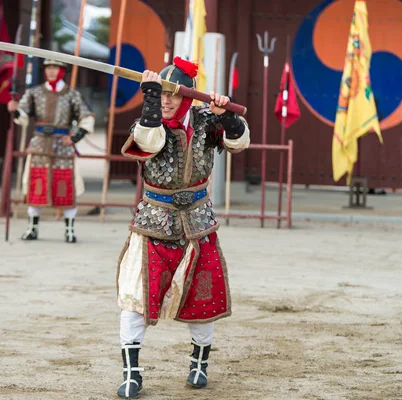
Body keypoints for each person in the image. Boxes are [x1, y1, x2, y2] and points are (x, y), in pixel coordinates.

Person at [115, 57, 250, 398]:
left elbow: (239, 142)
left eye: (172, 94)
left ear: (188, 96)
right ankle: (132, 374)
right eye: (160, 93)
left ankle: (199, 364)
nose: (165, 100)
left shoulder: (206, 120)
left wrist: (227, 113)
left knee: (202, 300)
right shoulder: (149, 120)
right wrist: (148, 96)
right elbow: (148, 143)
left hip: (198, 222)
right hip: (154, 221)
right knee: (136, 297)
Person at [7, 59, 95, 243]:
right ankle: (32, 228)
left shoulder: (72, 95)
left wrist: (75, 138)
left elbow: (87, 117)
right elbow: (22, 115)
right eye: (49, 68)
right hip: (40, 143)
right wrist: (15, 110)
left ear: (62, 71)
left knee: (66, 185)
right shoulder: (34, 93)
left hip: (63, 146)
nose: (52, 71)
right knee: (35, 183)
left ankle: (69, 230)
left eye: (56, 68)